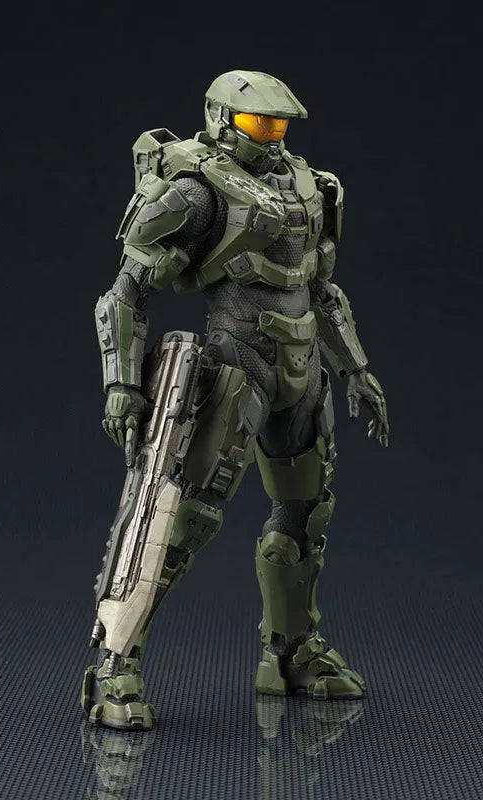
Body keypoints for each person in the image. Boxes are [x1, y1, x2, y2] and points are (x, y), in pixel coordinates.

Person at [81, 69, 389, 730]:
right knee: (182, 519)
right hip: (236, 366)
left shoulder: (312, 187)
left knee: (306, 514)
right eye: (258, 122)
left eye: (280, 124)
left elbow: (322, 290)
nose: (272, 135)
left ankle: (290, 653)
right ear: (222, 120)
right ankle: (113, 667)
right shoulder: (196, 189)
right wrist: (122, 385)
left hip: (302, 371)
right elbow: (125, 293)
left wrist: (357, 369)